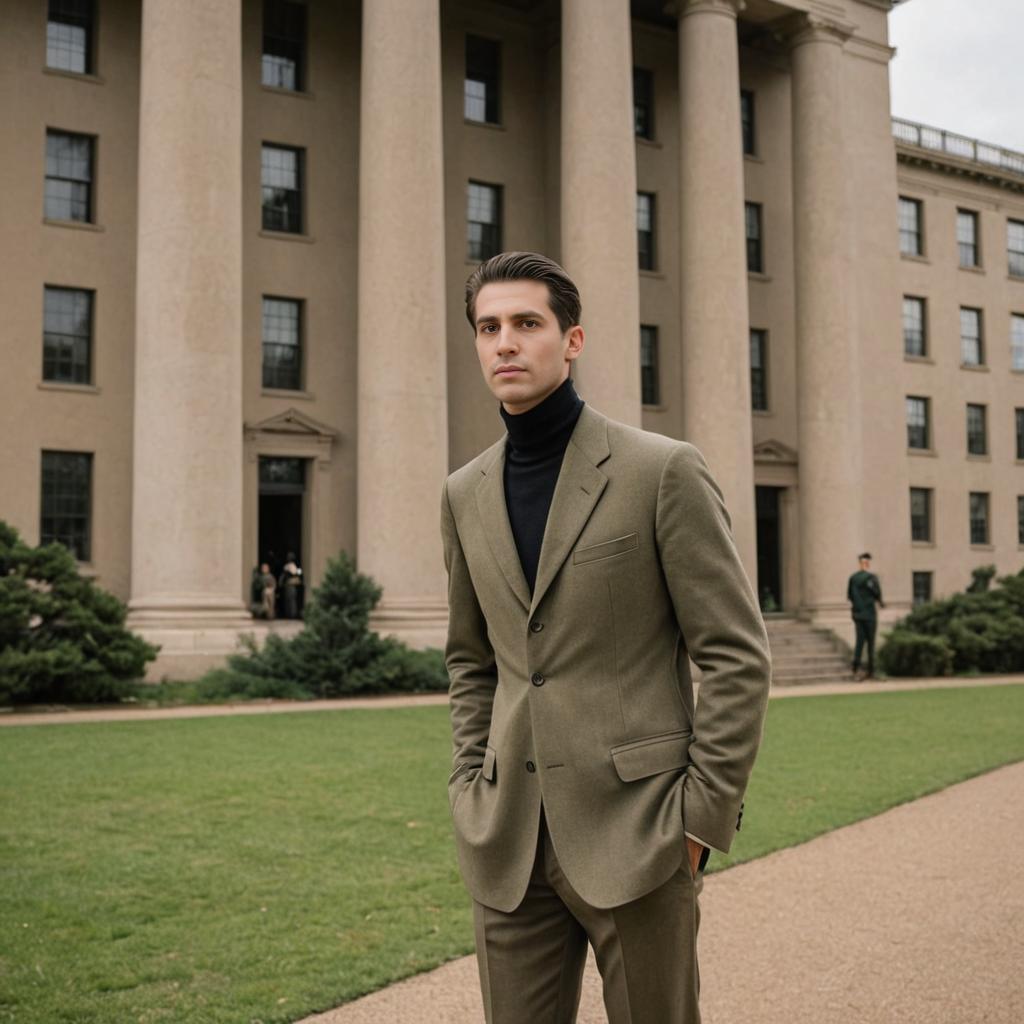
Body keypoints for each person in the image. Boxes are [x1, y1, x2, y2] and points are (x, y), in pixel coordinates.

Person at [440, 252, 772, 1024]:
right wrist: (469, 788)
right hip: (508, 841)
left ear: (573, 339)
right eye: (489, 328)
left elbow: (734, 654)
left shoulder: (662, 471)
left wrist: (698, 820)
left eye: (527, 323)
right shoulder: (463, 493)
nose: (505, 344)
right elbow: (471, 661)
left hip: (642, 831)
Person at [847, 552, 885, 680]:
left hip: (858, 614)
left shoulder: (853, 578)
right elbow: (878, 595)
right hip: (869, 615)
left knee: (860, 642)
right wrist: (880, 601)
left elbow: (850, 596)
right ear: (867, 563)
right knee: (870, 643)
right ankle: (871, 670)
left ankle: (855, 669)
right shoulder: (871, 578)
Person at [278, 552, 302, 619]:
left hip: (292, 584)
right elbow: (283, 576)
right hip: (288, 584)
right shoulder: (287, 566)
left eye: (290, 557)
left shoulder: (296, 566)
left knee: (291, 600)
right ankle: (289, 614)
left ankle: (292, 614)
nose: (288, 558)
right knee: (288, 599)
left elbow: (299, 574)